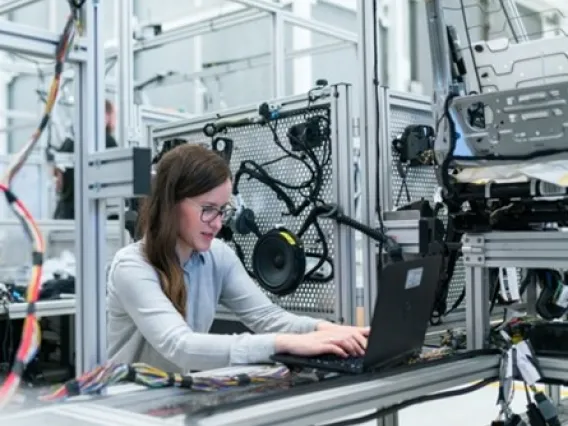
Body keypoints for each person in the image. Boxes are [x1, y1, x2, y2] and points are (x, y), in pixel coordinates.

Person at [106, 144, 369, 373]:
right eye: (208, 209)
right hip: (127, 406)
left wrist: (330, 331)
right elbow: (180, 346)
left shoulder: (217, 256)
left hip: (172, 400)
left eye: (223, 210)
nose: (218, 223)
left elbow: (268, 318)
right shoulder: (132, 266)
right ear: (170, 203)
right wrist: (284, 343)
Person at [52, 100, 118, 219]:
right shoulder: (106, 141)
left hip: (63, 215)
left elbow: (58, 181)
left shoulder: (69, 141)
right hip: (89, 216)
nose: (114, 121)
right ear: (106, 115)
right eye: (114, 115)